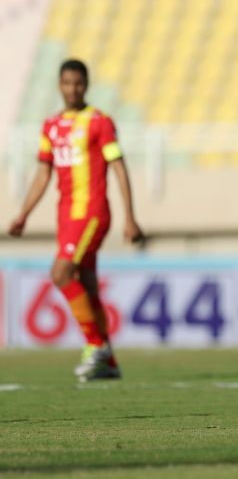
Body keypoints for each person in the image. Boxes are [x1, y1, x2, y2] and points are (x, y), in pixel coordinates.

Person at [8, 59, 144, 382]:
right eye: (67, 83)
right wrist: (23, 214)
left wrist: (130, 217)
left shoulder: (100, 122)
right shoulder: (51, 126)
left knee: (60, 273)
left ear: (86, 85)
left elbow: (119, 167)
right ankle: (108, 361)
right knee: (87, 284)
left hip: (92, 212)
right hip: (66, 216)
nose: (73, 89)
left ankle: (95, 346)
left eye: (78, 83)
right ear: (59, 85)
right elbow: (43, 173)